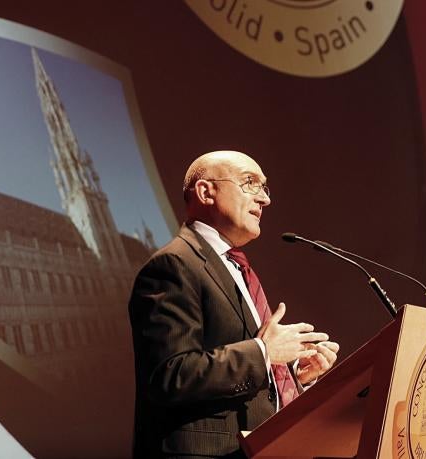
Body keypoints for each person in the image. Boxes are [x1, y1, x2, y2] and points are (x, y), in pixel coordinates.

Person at [128, 150, 339, 458]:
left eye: (264, 187)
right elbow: (171, 375)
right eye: (250, 182)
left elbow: (240, 371)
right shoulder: (173, 265)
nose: (264, 199)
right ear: (205, 191)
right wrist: (264, 353)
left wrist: (287, 373)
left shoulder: (235, 267)